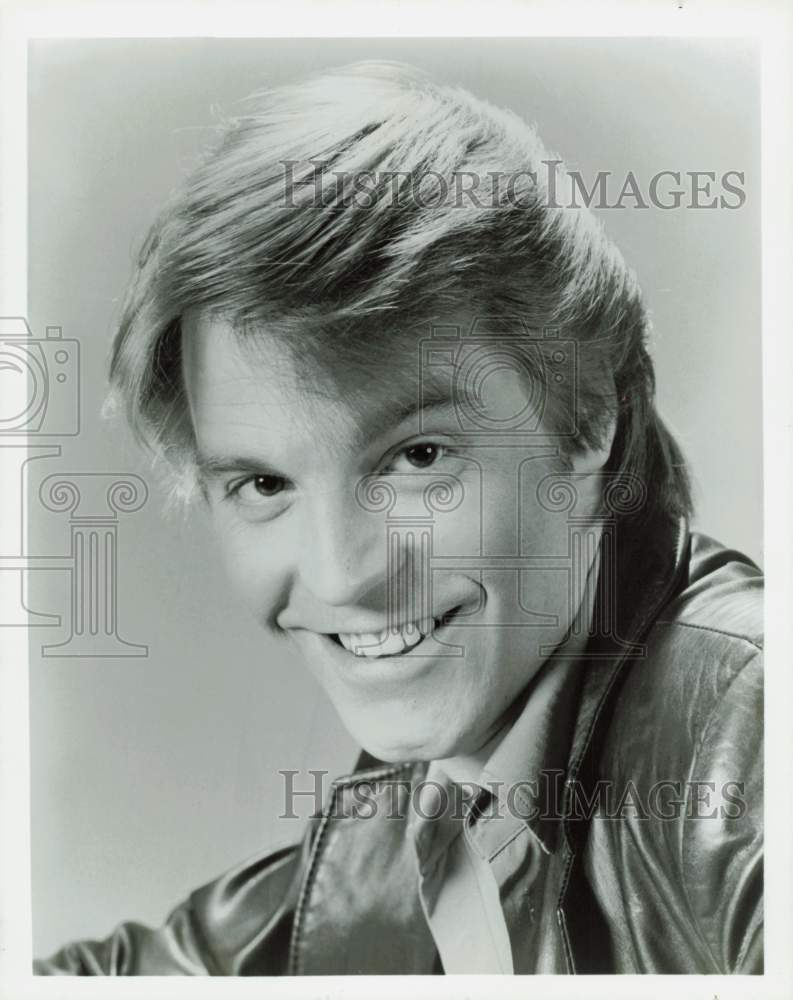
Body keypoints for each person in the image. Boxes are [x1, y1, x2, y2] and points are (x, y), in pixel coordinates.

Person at [34, 61, 763, 975]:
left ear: (587, 418)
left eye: (418, 459)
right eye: (263, 486)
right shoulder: (407, 822)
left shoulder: (748, 752)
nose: (342, 576)